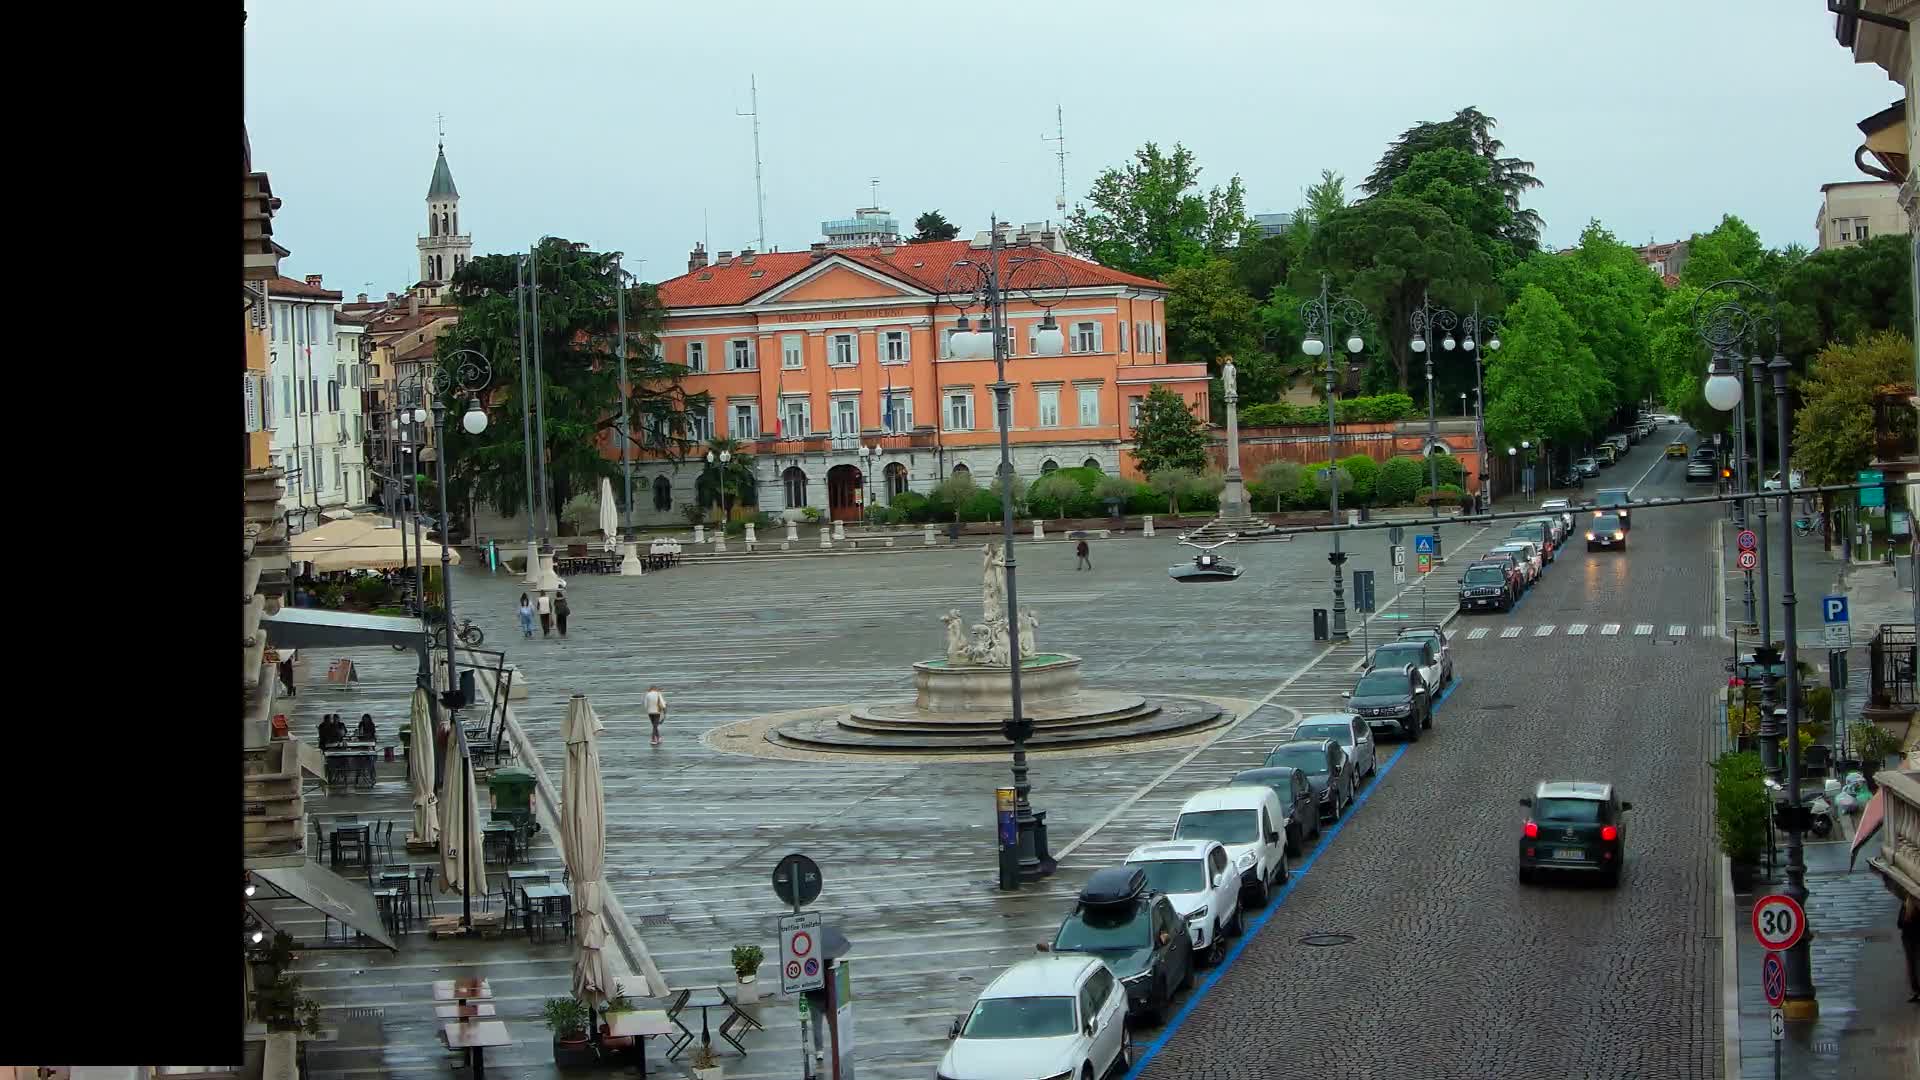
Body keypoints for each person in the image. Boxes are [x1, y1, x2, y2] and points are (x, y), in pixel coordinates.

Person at [1902, 897, 1920, 1003]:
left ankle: (1916, 991)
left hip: (1909, 938)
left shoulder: (1907, 904)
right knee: (1915, 964)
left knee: (1912, 965)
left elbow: (1900, 923)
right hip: (1913, 938)